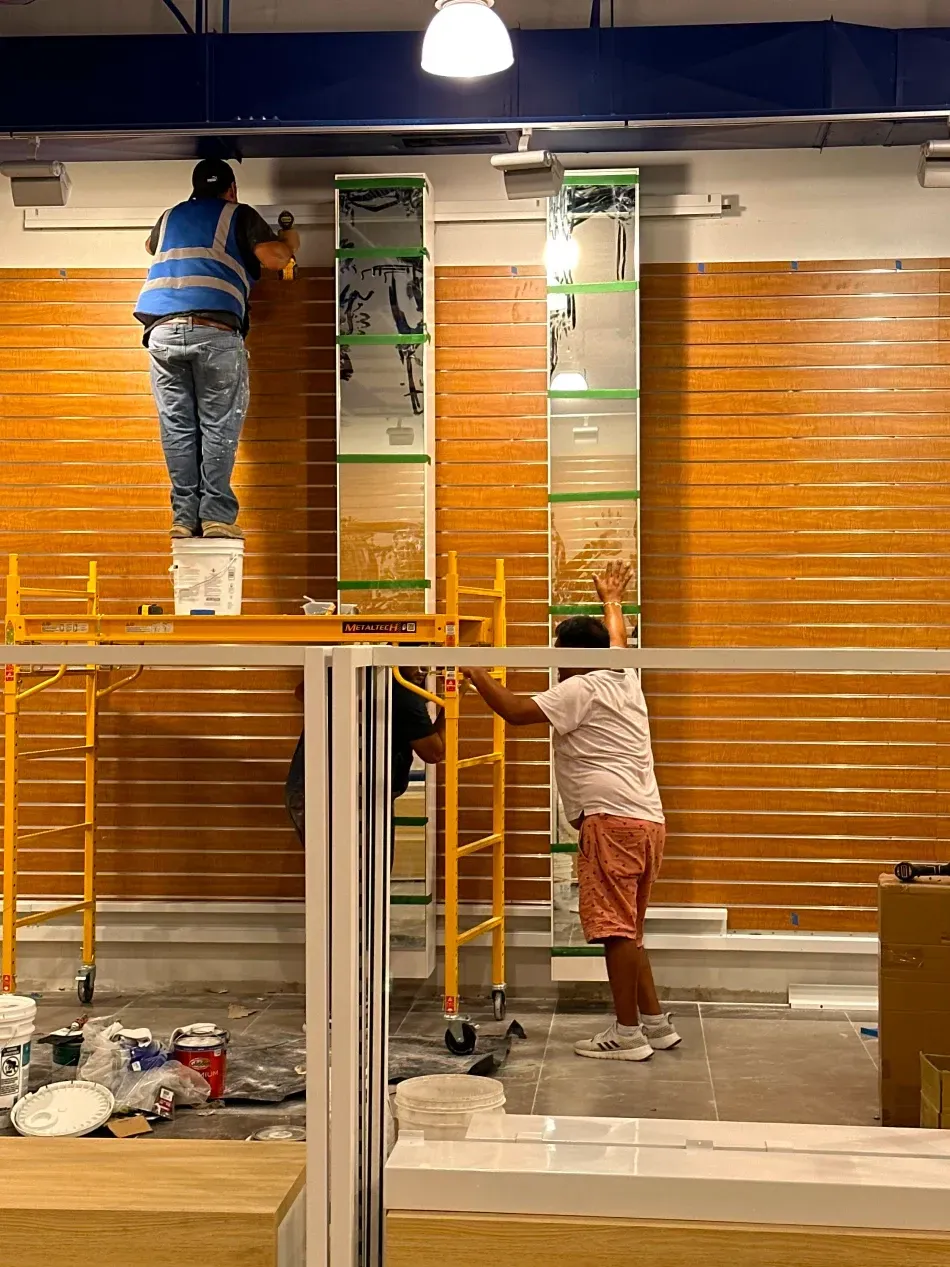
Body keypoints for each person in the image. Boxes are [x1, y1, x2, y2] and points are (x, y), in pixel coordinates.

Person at [465, 560, 680, 1062]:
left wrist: (475, 672)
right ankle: (655, 1023)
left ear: (576, 655)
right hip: (648, 821)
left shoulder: (579, 688)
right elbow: (619, 639)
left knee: (615, 933)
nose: (555, 662)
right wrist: (611, 598)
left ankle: (628, 1035)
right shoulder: (624, 675)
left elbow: (517, 712)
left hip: (611, 822)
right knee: (630, 929)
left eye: (559, 653)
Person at [134, 158, 299, 540]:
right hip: (214, 331)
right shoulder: (238, 214)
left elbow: (149, 245)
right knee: (218, 426)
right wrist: (291, 242)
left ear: (194, 191)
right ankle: (216, 518)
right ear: (232, 190)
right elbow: (275, 259)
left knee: (177, 428)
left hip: (161, 334)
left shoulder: (170, 217)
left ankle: (182, 518)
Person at [285, 667, 445, 850]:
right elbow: (434, 753)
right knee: (348, 874)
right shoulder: (402, 696)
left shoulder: (358, 673)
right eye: (415, 659)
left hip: (320, 790)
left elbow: (301, 692)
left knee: (342, 872)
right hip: (342, 797)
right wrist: (453, 700)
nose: (424, 668)